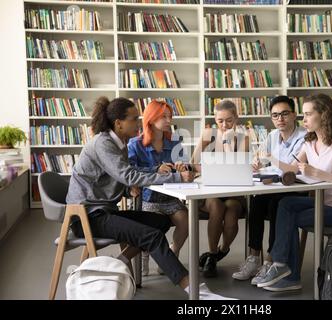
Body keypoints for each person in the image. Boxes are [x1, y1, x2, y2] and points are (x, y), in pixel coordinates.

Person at [66, 96, 235, 300]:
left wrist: (129, 190)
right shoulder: (104, 143)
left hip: (104, 210)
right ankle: (196, 291)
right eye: (134, 118)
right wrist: (174, 176)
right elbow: (127, 175)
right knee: (152, 236)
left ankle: (118, 262)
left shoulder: (119, 142)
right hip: (88, 216)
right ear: (118, 123)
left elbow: (117, 176)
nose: (139, 122)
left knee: (160, 222)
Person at [256, 94, 332, 291]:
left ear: (324, 115)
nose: (303, 120)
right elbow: (292, 169)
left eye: (308, 114)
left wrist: (316, 173)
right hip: (322, 203)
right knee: (286, 204)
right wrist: (270, 158)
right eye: (303, 115)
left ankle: (290, 275)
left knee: (292, 217)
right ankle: (281, 266)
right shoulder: (309, 142)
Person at [231, 96, 306, 285]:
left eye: (284, 114)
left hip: (296, 188)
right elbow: (262, 159)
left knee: (276, 205)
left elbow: (291, 168)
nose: (280, 119)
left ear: (294, 114)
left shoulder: (304, 137)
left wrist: (270, 159)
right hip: (273, 185)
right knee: (256, 202)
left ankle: (270, 261)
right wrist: (257, 163)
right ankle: (254, 257)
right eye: (275, 115)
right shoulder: (273, 136)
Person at [128, 100, 189, 276]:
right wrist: (154, 169)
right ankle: (144, 257)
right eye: (164, 117)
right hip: (147, 197)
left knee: (185, 220)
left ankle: (173, 252)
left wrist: (182, 166)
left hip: (170, 197)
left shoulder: (174, 141)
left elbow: (186, 165)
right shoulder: (135, 144)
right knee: (150, 227)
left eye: (170, 116)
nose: (169, 120)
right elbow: (129, 171)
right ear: (151, 118)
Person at [191, 99, 249, 278]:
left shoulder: (243, 138)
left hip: (233, 190)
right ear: (214, 119)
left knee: (231, 212)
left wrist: (227, 141)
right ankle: (212, 254)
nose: (224, 125)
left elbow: (239, 165)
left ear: (236, 118)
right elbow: (193, 163)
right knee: (216, 206)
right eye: (220, 121)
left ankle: (220, 251)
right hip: (210, 190)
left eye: (229, 120)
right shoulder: (208, 135)